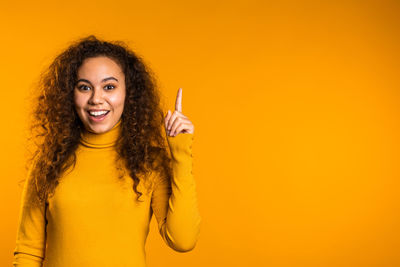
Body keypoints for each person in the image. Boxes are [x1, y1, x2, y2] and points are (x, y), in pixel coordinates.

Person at [13, 35, 201, 266]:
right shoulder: (50, 162)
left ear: (128, 93)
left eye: (109, 87)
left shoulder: (148, 161)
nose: (96, 99)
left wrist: (181, 153)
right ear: (70, 94)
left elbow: (182, 240)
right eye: (84, 87)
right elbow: (28, 253)